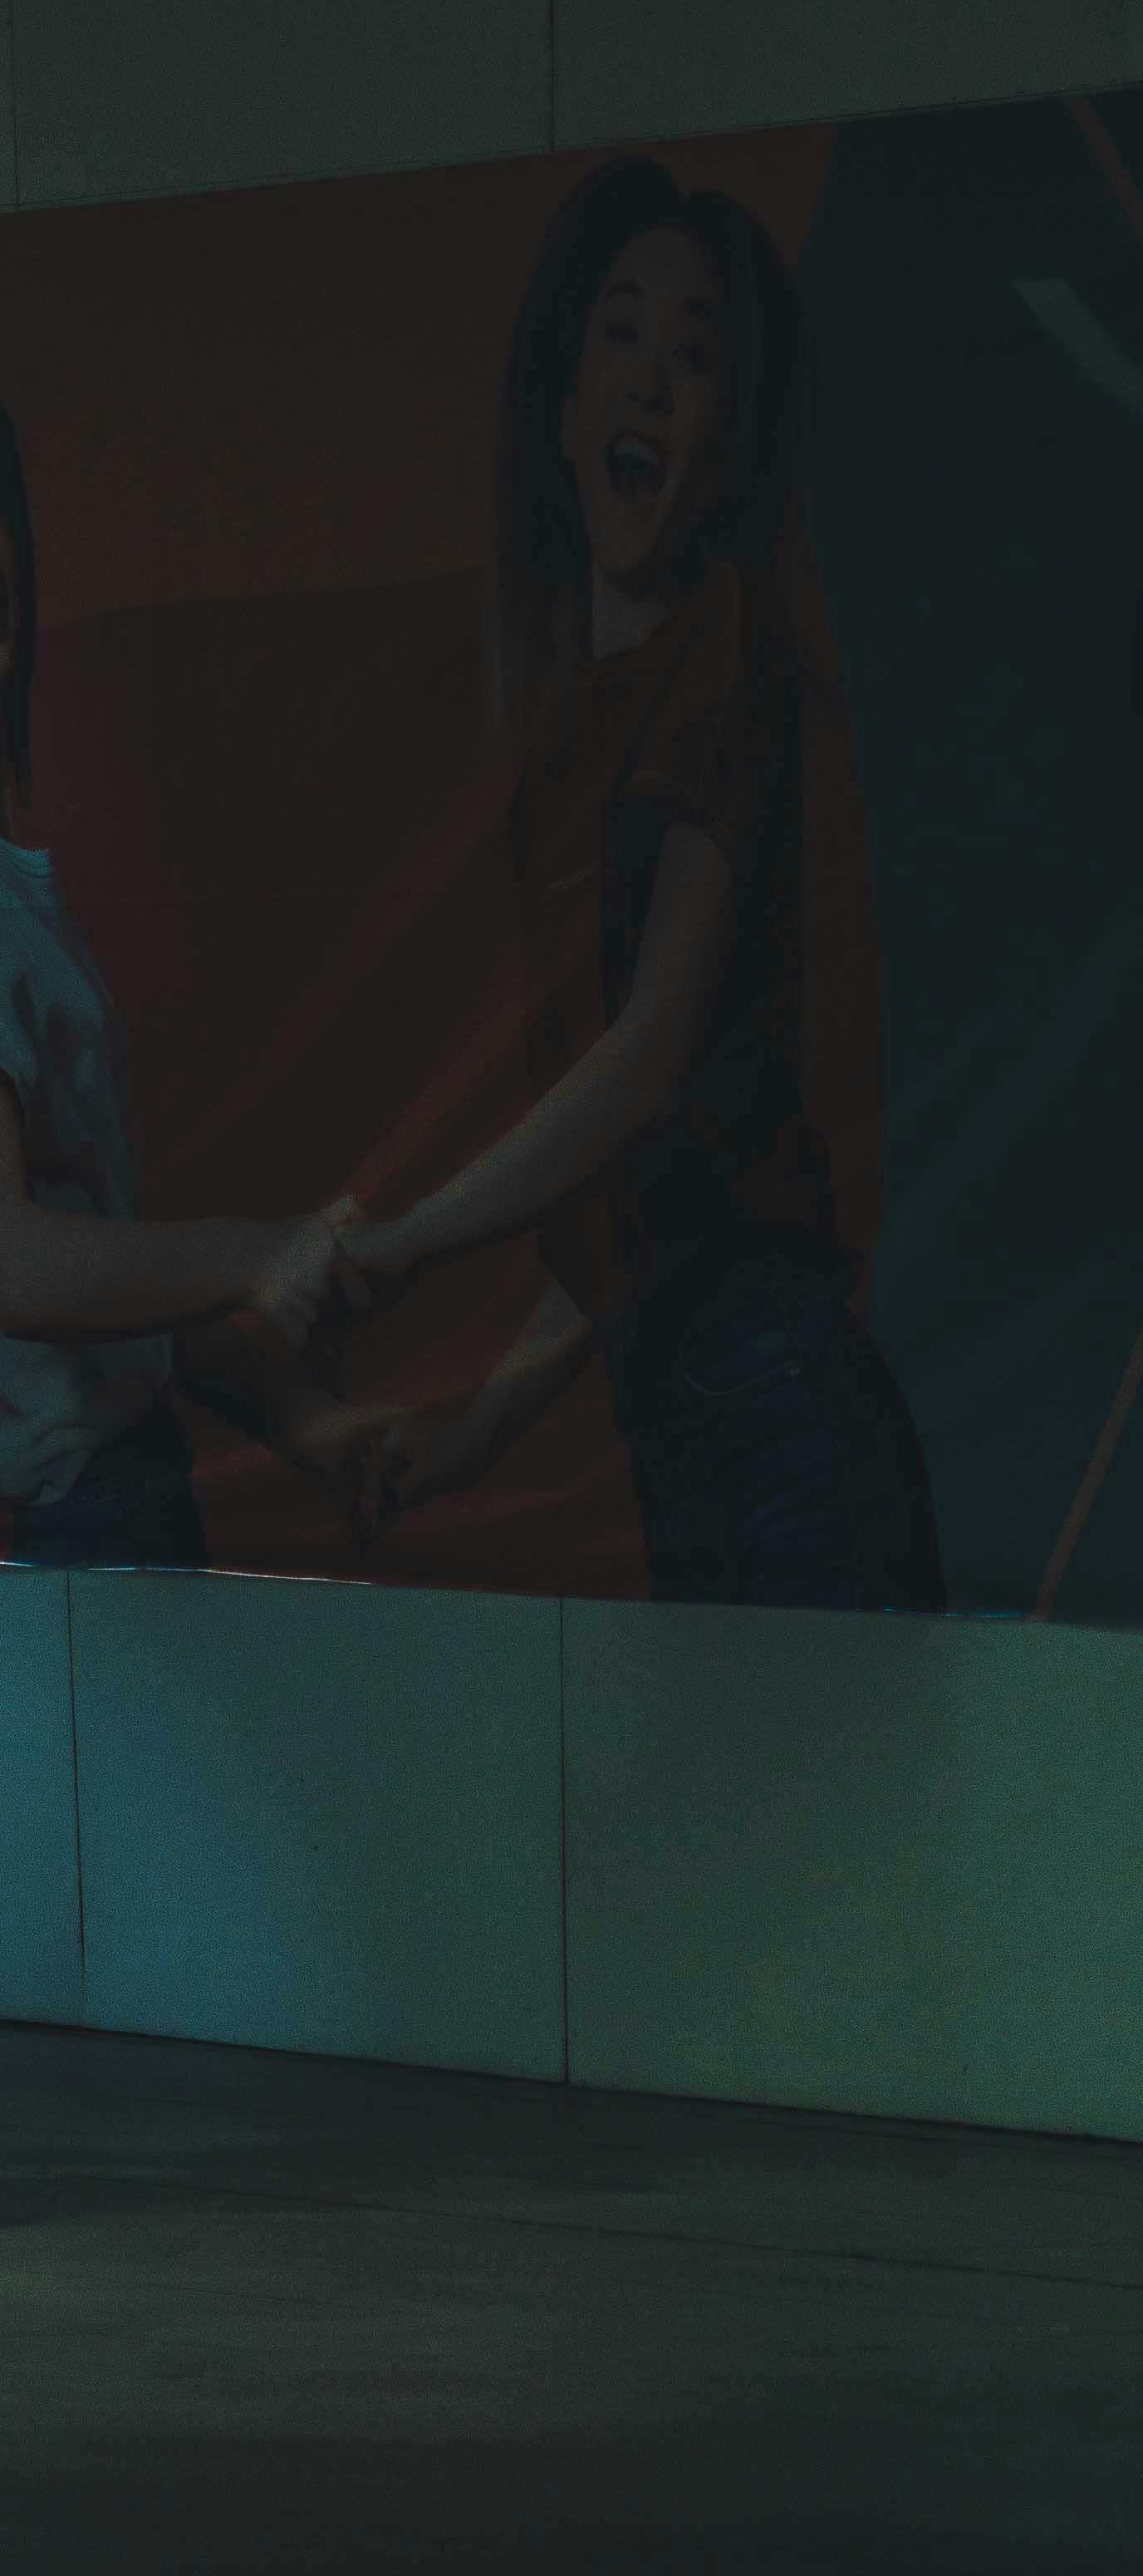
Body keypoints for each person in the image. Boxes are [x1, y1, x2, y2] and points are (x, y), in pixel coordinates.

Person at [268, 159, 939, 1610]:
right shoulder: (581, 723)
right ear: (565, 407)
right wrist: (456, 1445)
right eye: (621, 337)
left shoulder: (723, 659)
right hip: (693, 1430)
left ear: (728, 433)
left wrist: (394, 1244)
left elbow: (640, 1075)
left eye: (693, 358)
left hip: (783, 1423)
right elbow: (634, 1209)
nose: (649, 384)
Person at [0, 372, 345, 1560]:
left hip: (127, 1488)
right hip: (98, 1510)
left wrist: (320, 1427)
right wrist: (258, 1250)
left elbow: (93, 1269)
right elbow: (27, 1268)